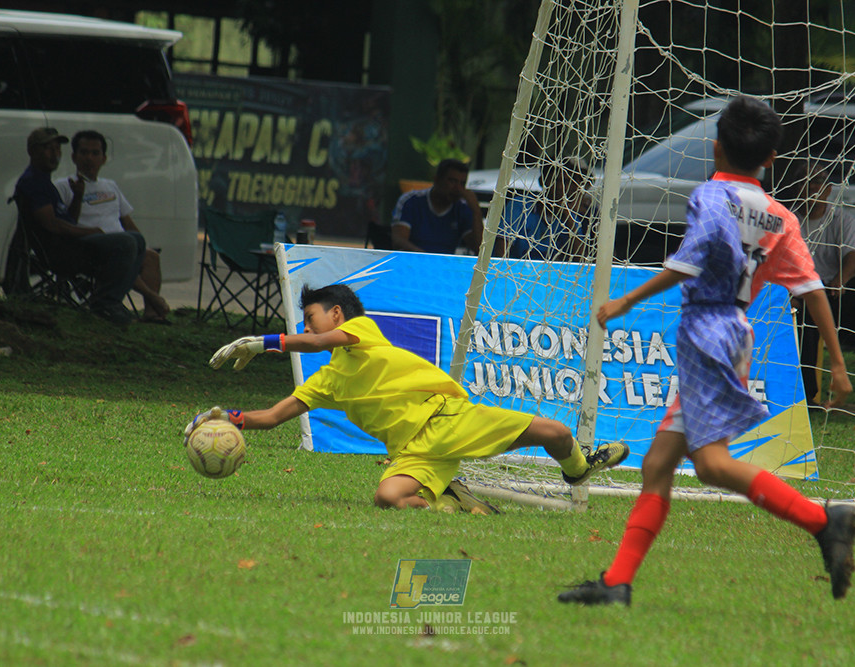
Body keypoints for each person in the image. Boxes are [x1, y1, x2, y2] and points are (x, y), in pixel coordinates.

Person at [557, 96, 855, 606]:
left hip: (705, 332)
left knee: (713, 464)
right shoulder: (780, 217)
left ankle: (822, 521)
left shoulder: (711, 198)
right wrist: (836, 360)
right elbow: (811, 289)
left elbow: (688, 261)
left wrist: (626, 299)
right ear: (770, 160)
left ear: (716, 147)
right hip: (733, 331)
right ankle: (617, 583)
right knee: (658, 463)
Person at [188, 283, 628, 513]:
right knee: (389, 497)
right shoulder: (326, 382)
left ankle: (578, 468)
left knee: (554, 432)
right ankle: (449, 500)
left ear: (337, 314)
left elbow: (319, 343)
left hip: (447, 418)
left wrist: (266, 342)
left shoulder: (360, 331)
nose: (305, 328)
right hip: (414, 450)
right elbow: (272, 415)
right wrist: (226, 419)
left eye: (310, 318)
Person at [13, 126, 144, 326]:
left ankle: (112, 300)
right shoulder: (34, 183)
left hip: (72, 245)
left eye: (57, 149)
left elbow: (68, 220)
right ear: (32, 151)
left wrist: (78, 197)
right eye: (48, 149)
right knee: (125, 242)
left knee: (137, 240)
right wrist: (89, 231)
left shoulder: (45, 182)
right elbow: (52, 225)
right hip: (63, 252)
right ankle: (104, 303)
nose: (54, 154)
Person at [54, 130, 171, 323]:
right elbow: (66, 225)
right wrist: (78, 196)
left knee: (149, 255)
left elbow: (128, 222)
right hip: (89, 247)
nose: (89, 159)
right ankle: (144, 298)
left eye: (95, 153)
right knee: (126, 247)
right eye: (84, 153)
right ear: (74, 157)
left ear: (104, 158)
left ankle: (152, 313)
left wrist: (141, 247)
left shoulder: (111, 186)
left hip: (124, 244)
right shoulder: (63, 186)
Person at [792, 162, 855, 402]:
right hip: (800, 294)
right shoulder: (789, 219)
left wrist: (841, 280)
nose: (813, 186)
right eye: (808, 181)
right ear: (798, 187)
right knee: (805, 323)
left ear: (829, 188)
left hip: (832, 291)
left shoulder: (842, 219)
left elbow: (854, 254)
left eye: (819, 181)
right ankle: (807, 395)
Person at [500, 157, 593, 261]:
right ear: (542, 181)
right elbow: (502, 245)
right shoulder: (520, 206)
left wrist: (567, 216)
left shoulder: (571, 216)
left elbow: (579, 258)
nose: (559, 187)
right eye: (554, 180)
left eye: (565, 181)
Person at [391, 158, 483, 254]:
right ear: (436, 180)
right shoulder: (411, 201)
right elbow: (398, 240)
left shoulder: (462, 208)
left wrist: (476, 211)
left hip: (445, 266)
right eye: (452, 181)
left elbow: (479, 249)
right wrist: (425, 257)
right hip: (412, 264)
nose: (458, 189)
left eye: (462, 183)